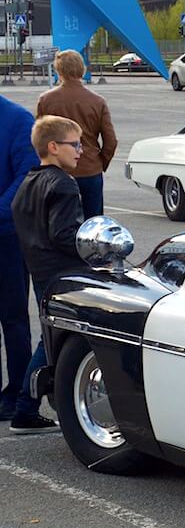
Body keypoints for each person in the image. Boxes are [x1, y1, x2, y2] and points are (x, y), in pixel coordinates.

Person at [10, 115, 90, 434]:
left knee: (51, 336)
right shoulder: (63, 184)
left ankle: (37, 403)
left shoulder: (30, 179)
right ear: (53, 147)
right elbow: (63, 233)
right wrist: (93, 248)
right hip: (61, 271)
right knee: (53, 339)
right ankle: (26, 408)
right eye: (75, 144)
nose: (80, 151)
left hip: (38, 267)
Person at [35, 49, 117, 219]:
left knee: (58, 222)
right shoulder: (97, 101)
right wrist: (99, 162)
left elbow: (39, 139)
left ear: (59, 71)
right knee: (92, 225)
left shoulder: (46, 100)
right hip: (89, 169)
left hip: (56, 171)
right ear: (82, 69)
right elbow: (110, 141)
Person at [0, 95, 37, 423]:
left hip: (7, 236)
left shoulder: (17, 119)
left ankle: (16, 394)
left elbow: (26, 175)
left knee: (12, 318)